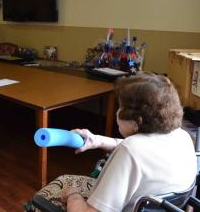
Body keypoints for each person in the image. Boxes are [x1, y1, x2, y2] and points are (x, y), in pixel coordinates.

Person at [36, 72, 197, 212]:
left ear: (137, 121)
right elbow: (142, 154)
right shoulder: (182, 137)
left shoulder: (131, 150)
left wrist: (72, 194)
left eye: (121, 107)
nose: (117, 111)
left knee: (54, 190)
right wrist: (96, 140)